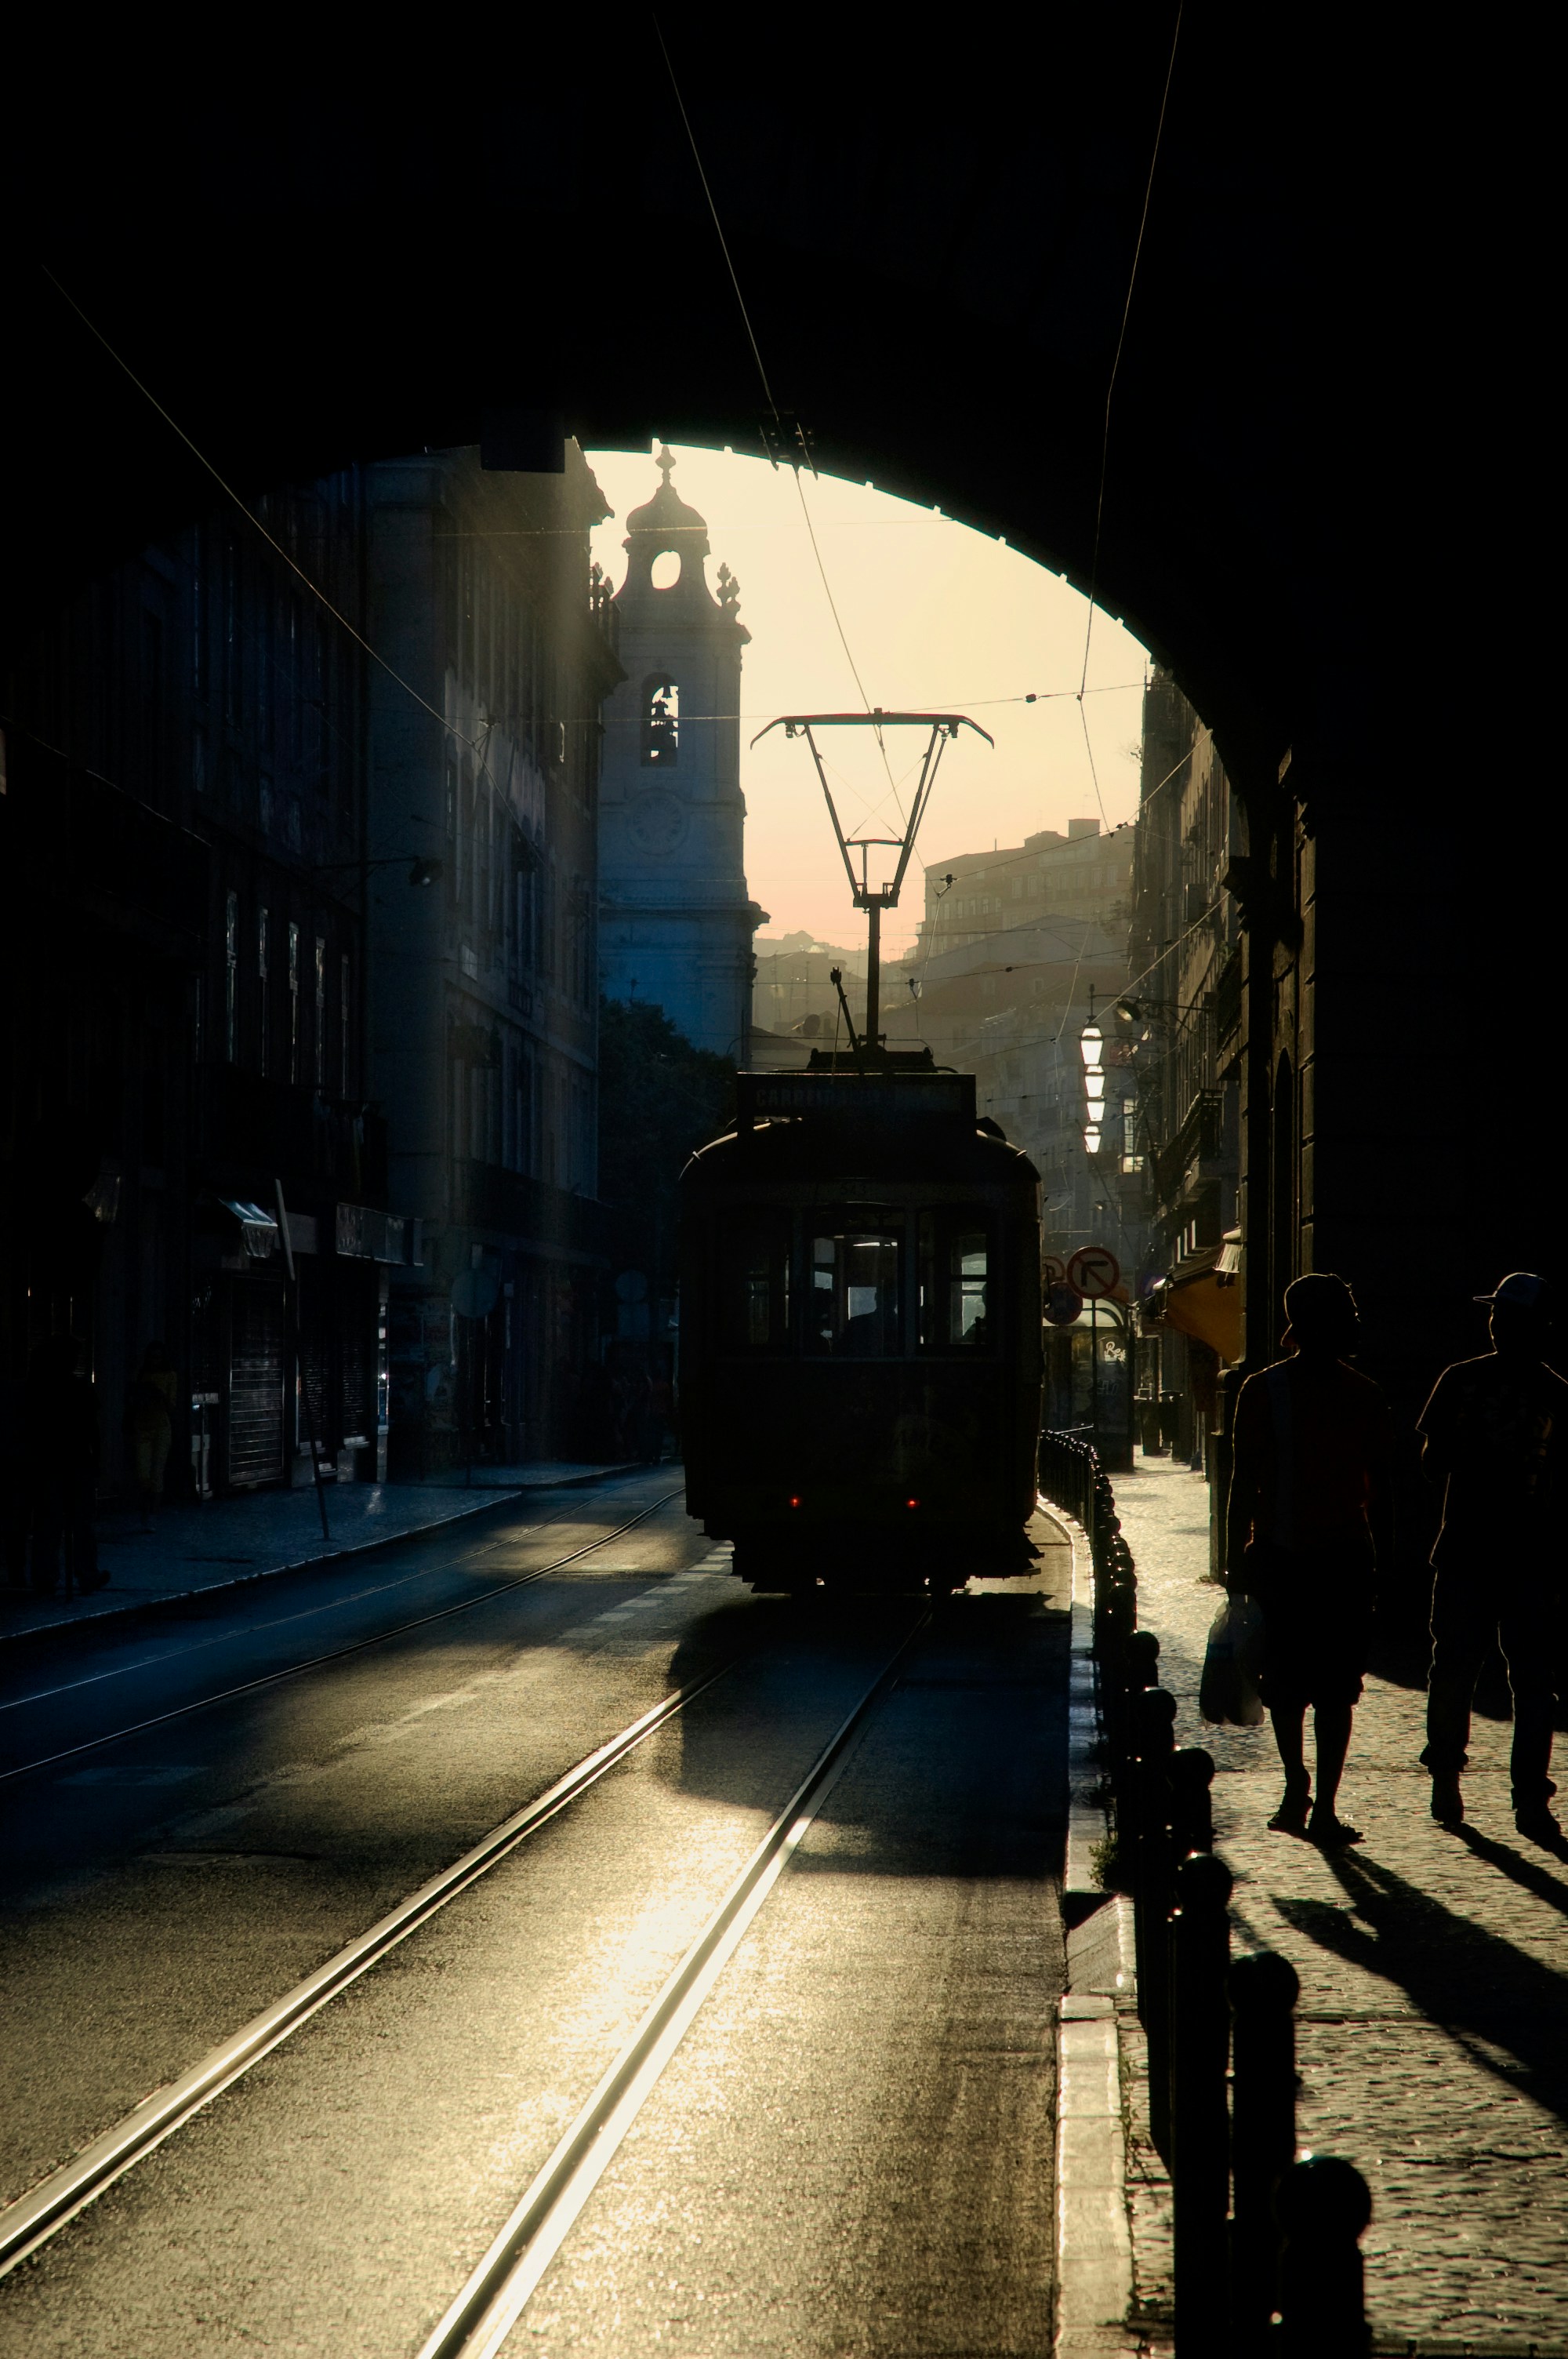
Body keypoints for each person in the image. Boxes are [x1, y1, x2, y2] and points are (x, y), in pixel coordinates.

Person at [1225, 1273, 1394, 1845]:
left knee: (1323, 1687)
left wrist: (1236, 1561)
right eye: (1345, 1315)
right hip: (1303, 1559)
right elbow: (1242, 1483)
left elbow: (1381, 1486)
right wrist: (1236, 1563)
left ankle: (1316, 1798)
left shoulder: (1360, 1394)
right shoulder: (1269, 1391)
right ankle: (1306, 1791)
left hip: (1325, 1559)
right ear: (1317, 1324)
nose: (1353, 1325)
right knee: (1302, 1687)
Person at [1417, 1271, 1567, 1847]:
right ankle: (1530, 1800)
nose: (1493, 1322)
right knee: (1533, 1683)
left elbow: (1431, 1465)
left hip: (1467, 1551)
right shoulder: (1558, 1392)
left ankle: (1447, 1781)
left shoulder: (1460, 1380)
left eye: (1500, 1315)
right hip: (1531, 1558)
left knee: (1454, 1669)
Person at [26, 1335, 103, 1596]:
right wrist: (97, 1460)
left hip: (50, 1465)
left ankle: (46, 1577)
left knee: (50, 1523)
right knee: (81, 1524)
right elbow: (94, 1430)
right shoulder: (81, 1390)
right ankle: (85, 1574)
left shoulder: (37, 1390)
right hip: (74, 1463)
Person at [124, 1340, 177, 1530]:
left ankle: (151, 1512)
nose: (155, 1361)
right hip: (143, 1427)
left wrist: (158, 1395)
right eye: (152, 1357)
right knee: (143, 1473)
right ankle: (148, 1511)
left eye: (158, 1357)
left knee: (156, 1473)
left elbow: (171, 1406)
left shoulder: (169, 1376)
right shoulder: (143, 1376)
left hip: (160, 1427)